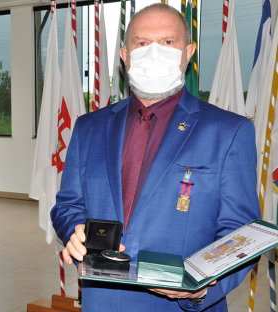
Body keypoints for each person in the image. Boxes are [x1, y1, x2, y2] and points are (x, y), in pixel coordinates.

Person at [51, 4, 260, 312]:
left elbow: (240, 233)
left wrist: (197, 290)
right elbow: (68, 205)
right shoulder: (89, 127)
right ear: (125, 56)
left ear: (187, 53)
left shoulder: (229, 131)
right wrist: (73, 231)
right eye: (142, 43)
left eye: (167, 42)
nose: (154, 52)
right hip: (103, 301)